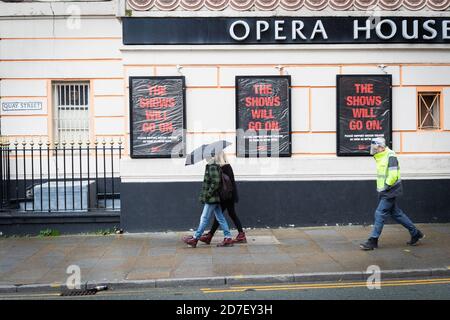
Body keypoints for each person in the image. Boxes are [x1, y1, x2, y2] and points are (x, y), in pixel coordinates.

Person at [360, 137, 424, 250]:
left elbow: (393, 175)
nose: (373, 150)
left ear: (381, 147)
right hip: (384, 190)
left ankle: (373, 240)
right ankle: (415, 233)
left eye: (375, 148)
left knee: (379, 213)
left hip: (390, 190)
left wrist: (386, 186)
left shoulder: (390, 156)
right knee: (396, 214)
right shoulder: (381, 156)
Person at [182, 153, 234, 248]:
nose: (204, 158)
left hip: (212, 198)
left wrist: (208, 194)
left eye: (205, 156)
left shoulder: (212, 166)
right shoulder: (213, 166)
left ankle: (195, 238)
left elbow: (216, 182)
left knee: (204, 218)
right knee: (220, 218)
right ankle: (228, 237)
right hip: (215, 197)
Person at [198, 152, 246, 244]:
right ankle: (241, 234)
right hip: (229, 195)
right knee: (230, 214)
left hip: (225, 196)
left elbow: (221, 183)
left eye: (214, 155)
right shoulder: (227, 166)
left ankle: (210, 235)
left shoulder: (223, 168)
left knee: (219, 215)